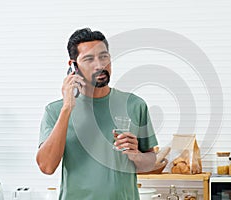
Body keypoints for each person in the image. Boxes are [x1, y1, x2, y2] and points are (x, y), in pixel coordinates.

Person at [36, 28, 158, 200]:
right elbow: (47, 166)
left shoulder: (135, 105)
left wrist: (136, 155)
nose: (100, 65)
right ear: (73, 66)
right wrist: (67, 109)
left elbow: (150, 162)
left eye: (103, 56)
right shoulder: (55, 111)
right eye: (89, 59)